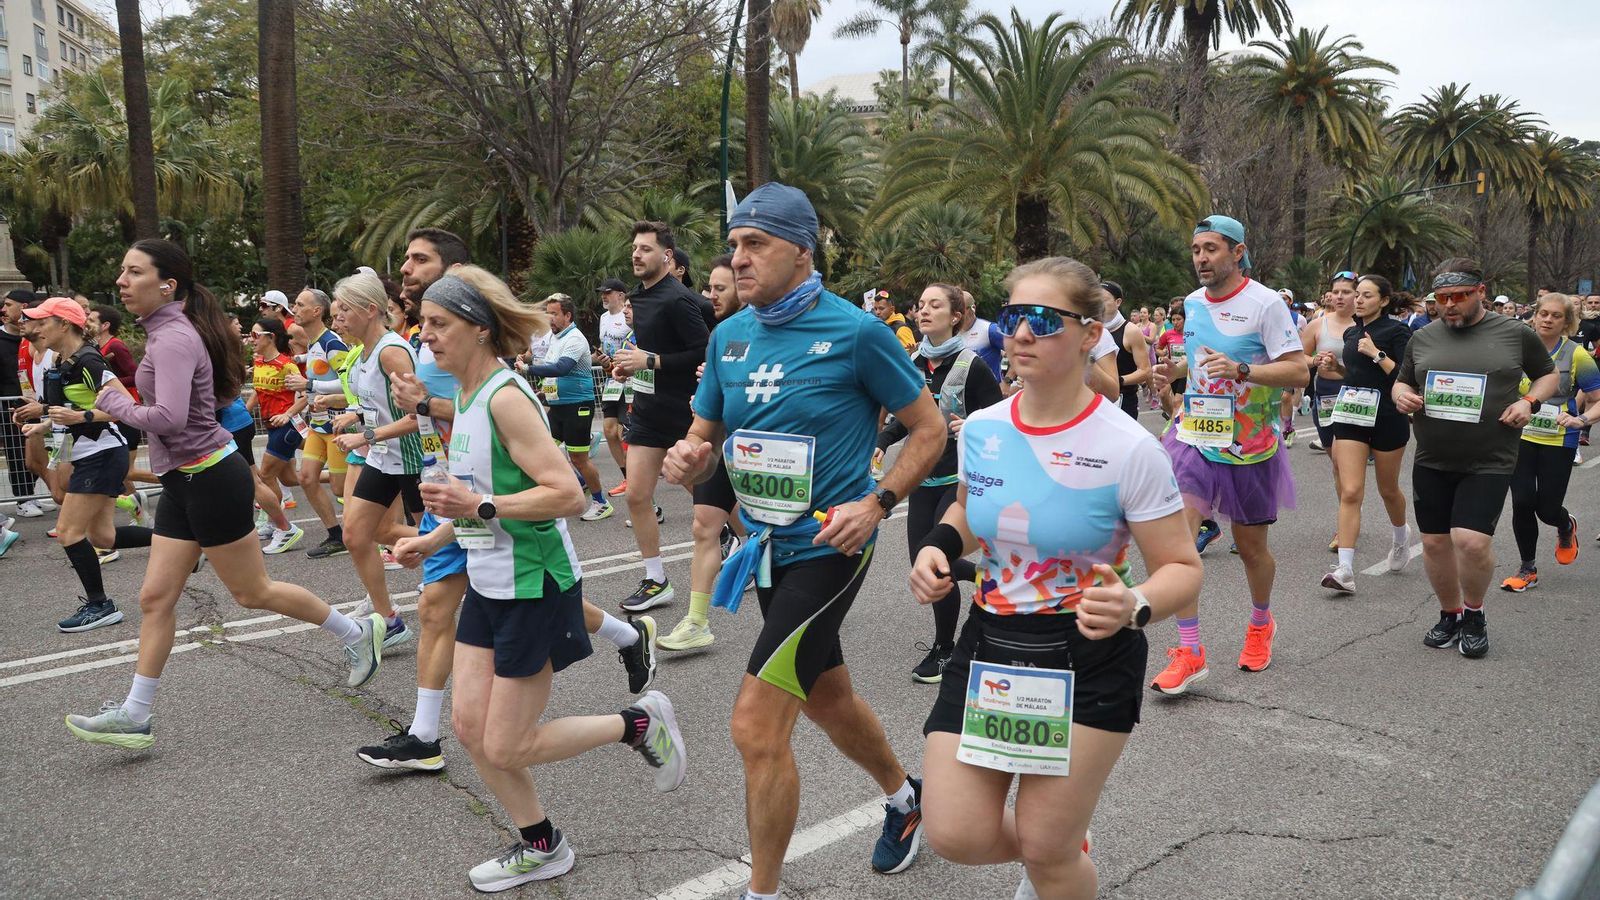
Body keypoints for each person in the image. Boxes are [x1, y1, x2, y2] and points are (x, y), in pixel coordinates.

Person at [664, 182, 947, 897]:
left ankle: (763, 892)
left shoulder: (856, 331)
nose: (739, 258)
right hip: (761, 549)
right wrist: (690, 456)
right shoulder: (729, 335)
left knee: (756, 729)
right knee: (825, 699)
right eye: (734, 245)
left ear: (801, 249)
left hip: (831, 547)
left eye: (754, 244)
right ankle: (905, 798)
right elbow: (706, 433)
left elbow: (930, 429)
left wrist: (878, 502)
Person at [911, 256, 1202, 900]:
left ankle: (1058, 848)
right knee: (953, 832)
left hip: (1087, 652)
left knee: (1046, 849)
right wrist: (937, 546)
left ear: (1091, 334)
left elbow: (1183, 569)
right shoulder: (984, 429)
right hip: (990, 644)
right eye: (1013, 317)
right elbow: (968, 507)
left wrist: (1136, 604)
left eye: (1043, 320)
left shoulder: (1129, 448)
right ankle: (1064, 840)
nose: (1020, 335)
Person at [401, 266, 687, 891]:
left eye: (440, 324)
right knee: (473, 732)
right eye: (423, 325)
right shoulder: (469, 397)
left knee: (505, 744)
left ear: (478, 329)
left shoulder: (505, 396)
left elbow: (568, 495)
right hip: (488, 581)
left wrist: (475, 509)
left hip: (535, 582)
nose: (427, 337)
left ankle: (637, 724)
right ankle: (544, 844)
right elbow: (477, 495)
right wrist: (431, 536)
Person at [63, 239, 385, 749]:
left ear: (167, 284)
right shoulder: (166, 333)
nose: (121, 280)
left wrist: (112, 402)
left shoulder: (171, 339)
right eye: (122, 271)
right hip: (184, 480)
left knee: (251, 592)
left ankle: (357, 633)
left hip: (209, 477)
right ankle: (135, 713)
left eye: (134, 272)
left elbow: (166, 418)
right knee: (154, 598)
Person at [1149, 215, 1306, 693]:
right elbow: (1199, 364)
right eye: (1196, 249)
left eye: (1211, 248)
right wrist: (1173, 371)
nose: (1201, 258)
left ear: (1237, 253)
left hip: (1249, 445)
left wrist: (1243, 370)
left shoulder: (1265, 304)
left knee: (1252, 549)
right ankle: (1189, 649)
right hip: (1195, 433)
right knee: (1178, 542)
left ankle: (1261, 622)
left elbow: (1298, 372)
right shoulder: (1192, 304)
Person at [1393, 258, 1557, 659]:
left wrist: (1529, 401)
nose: (1448, 305)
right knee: (1434, 543)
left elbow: (1548, 375)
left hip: (1489, 456)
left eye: (1458, 297)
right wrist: (1400, 394)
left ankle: (1474, 613)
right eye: (1441, 298)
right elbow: (1403, 380)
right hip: (1432, 455)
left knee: (1470, 542)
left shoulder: (1515, 332)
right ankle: (1449, 614)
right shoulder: (1424, 336)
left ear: (1480, 292)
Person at [877, 283, 1002, 683]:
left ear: (956, 316)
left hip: (960, 477)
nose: (925, 310)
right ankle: (986, 576)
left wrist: (976, 426)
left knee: (939, 559)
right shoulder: (911, 363)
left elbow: (999, 417)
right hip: (923, 477)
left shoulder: (973, 365)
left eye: (936, 305)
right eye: (921, 304)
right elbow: (905, 419)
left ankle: (946, 649)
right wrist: (881, 443)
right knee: (923, 560)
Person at [13, 298, 154, 631]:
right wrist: (43, 421)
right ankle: (184, 541)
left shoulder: (89, 361)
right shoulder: (62, 361)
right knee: (103, 536)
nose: (33, 328)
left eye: (41, 322)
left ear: (64, 324)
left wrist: (81, 416)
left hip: (102, 453)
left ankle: (100, 605)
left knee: (67, 532)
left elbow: (127, 406)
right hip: (89, 452)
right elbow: (66, 411)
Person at [610, 221, 710, 613]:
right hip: (649, 413)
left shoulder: (678, 298)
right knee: (637, 496)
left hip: (685, 414)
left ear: (667, 256)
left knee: (708, 494)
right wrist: (630, 366)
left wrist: (650, 360)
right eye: (634, 248)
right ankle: (656, 579)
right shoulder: (641, 297)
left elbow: (702, 351)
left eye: (645, 249)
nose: (636, 254)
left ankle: (752, 547)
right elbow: (649, 354)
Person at [659, 254, 748, 652]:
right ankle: (697, 621)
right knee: (703, 527)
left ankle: (799, 593)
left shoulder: (756, 331)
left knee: (765, 536)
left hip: (759, 450)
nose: (710, 295)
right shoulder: (719, 335)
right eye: (709, 288)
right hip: (717, 443)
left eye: (720, 288)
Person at [330, 271, 421, 649]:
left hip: (415, 458)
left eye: (345, 311)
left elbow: (418, 416)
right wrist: (356, 414)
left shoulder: (391, 351)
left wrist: (364, 435)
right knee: (356, 534)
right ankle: (389, 620)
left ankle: (467, 544)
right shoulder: (364, 353)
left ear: (370, 310)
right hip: (384, 457)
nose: (340, 318)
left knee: (418, 534)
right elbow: (376, 404)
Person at [1314, 275, 1413, 592]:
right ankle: (1344, 570)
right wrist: (1337, 368)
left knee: (1388, 489)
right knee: (1351, 490)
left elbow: (1405, 376)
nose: (1358, 300)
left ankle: (1400, 537)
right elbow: (1355, 375)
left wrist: (1376, 353)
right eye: (1357, 294)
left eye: (1366, 295)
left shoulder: (1398, 331)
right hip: (1351, 415)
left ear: (1383, 300)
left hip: (1387, 416)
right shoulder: (1352, 332)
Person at [1499, 293, 1599, 592]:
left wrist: (1581, 420)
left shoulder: (1577, 354)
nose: (1547, 319)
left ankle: (1564, 523)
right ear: (1535, 315)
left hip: (1559, 439)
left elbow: (1596, 399)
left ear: (1567, 322)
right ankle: (1527, 568)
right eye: (1543, 313)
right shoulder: (1515, 350)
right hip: (1520, 436)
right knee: (1522, 501)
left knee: (1547, 508)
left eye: (1556, 315)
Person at [278, 288, 351, 559]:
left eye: (299, 304)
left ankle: (375, 531)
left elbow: (347, 382)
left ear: (316, 311)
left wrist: (309, 384)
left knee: (341, 488)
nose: (294, 309)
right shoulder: (313, 342)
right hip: (317, 426)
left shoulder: (332, 342)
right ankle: (336, 535)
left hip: (337, 426)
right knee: (307, 478)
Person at [526, 293, 611, 520]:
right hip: (559, 407)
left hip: (578, 406)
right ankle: (580, 480)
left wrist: (528, 370)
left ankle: (601, 502)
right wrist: (545, 392)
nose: (549, 318)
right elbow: (555, 372)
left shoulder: (574, 338)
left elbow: (562, 368)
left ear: (568, 315)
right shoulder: (556, 337)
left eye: (554, 314)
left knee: (579, 458)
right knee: (547, 451)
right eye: (548, 314)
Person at [1302, 273, 1358, 556]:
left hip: (1353, 394)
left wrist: (1340, 366)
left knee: (1341, 457)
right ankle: (1350, 509)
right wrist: (1315, 360)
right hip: (1323, 393)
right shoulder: (1317, 324)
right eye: (1335, 292)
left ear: (1356, 296)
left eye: (1346, 292)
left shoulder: (1362, 326)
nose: (1338, 297)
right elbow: (1297, 356)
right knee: (1335, 462)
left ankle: (1344, 524)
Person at [246, 318, 309, 554]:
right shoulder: (258, 362)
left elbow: (305, 397)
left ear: (270, 337)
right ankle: (335, 477)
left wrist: (287, 414)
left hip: (287, 426)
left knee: (264, 475)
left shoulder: (287, 365)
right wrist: (244, 413)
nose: (251, 340)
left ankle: (281, 526)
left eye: (255, 335)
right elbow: (257, 391)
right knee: (291, 479)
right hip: (271, 426)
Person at [593, 278, 633, 496]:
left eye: (608, 292)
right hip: (611, 380)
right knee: (609, 431)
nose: (604, 296)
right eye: (602, 292)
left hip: (629, 379)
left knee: (622, 432)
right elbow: (603, 345)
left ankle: (636, 478)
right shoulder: (603, 318)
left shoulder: (628, 316)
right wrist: (601, 358)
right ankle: (627, 477)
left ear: (621, 295)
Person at [1101, 282, 1150, 418]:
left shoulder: (1131, 331)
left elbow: (1145, 370)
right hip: (1097, 400)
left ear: (1118, 302)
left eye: (1103, 300)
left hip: (1124, 400)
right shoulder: (1092, 329)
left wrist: (1117, 381)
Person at [958, 291, 1005, 380]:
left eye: (961, 309)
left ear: (973, 308)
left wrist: (1007, 381)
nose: (958, 314)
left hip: (989, 390)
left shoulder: (990, 330)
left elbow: (1018, 350)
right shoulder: (949, 331)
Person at [1155, 301, 1187, 420]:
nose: (1175, 322)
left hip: (1186, 370)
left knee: (1178, 400)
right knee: (1169, 398)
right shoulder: (1168, 334)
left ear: (1185, 319)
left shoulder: (1191, 334)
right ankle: (1172, 418)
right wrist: (1162, 353)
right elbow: (1158, 348)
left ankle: (1173, 429)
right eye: (1173, 320)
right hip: (1173, 370)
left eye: (1178, 319)